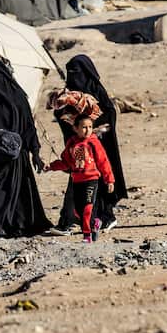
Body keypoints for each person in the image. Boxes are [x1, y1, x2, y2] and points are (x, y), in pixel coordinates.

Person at [0, 57, 53, 238]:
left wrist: (35, 153)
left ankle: (9, 225)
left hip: (13, 154)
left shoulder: (13, 98)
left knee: (11, 190)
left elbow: (28, 126)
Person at [51, 55, 128, 233]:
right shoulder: (68, 95)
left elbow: (108, 115)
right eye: (70, 73)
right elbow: (61, 117)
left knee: (89, 181)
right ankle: (76, 220)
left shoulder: (97, 93)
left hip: (97, 147)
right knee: (80, 180)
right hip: (77, 147)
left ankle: (80, 220)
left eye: (76, 73)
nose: (73, 77)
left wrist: (91, 126)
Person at [45, 114, 115, 242]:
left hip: (91, 180)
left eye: (90, 127)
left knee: (88, 208)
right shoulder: (72, 144)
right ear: (75, 128)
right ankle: (95, 223)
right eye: (83, 127)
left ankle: (87, 235)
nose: (87, 130)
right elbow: (66, 163)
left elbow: (103, 162)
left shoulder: (93, 143)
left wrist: (109, 180)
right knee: (78, 211)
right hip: (77, 181)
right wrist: (51, 166)